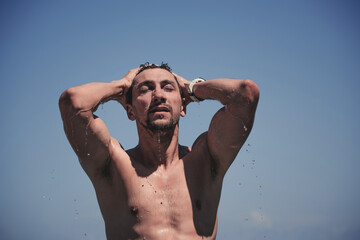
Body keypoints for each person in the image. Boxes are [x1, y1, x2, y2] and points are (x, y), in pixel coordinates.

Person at [59, 63, 259, 240]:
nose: (159, 95)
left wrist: (192, 88)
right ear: (130, 110)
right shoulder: (112, 164)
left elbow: (245, 93)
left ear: (182, 105)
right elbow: (73, 101)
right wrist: (122, 85)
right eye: (145, 89)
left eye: (168, 87)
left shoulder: (207, 158)